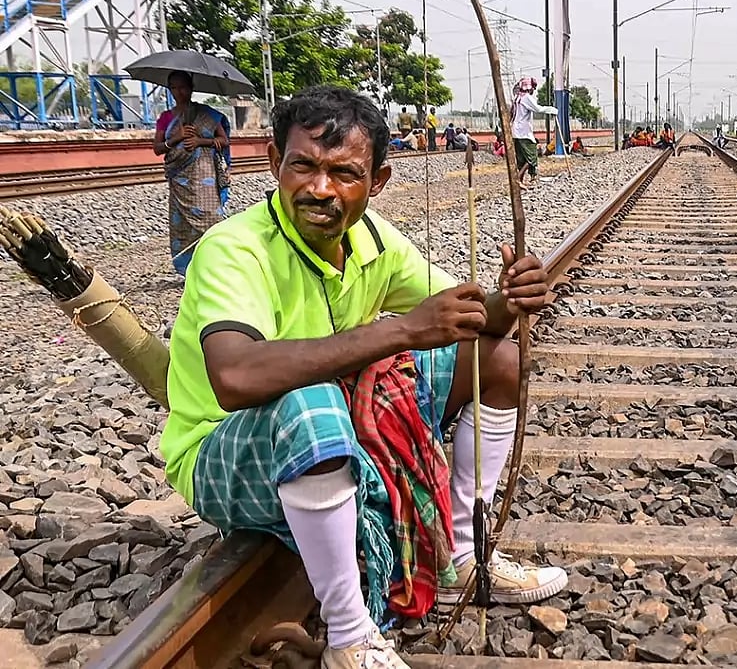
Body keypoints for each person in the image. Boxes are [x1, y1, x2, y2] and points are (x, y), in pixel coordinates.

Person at [159, 86, 568, 669]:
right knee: (309, 399)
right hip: (222, 450)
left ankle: (460, 553)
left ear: (377, 182)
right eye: (303, 165)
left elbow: (469, 317)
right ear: (276, 162)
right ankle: (351, 637)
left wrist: (510, 300)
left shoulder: (373, 239)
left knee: (496, 357)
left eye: (344, 174)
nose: (319, 189)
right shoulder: (234, 248)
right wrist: (400, 331)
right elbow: (236, 375)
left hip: (326, 424)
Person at [153, 70, 231, 277]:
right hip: (179, 179)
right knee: (182, 227)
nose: (179, 92)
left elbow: (223, 141)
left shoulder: (207, 115)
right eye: (174, 88)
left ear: (191, 88)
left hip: (204, 176)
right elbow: (158, 148)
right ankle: (190, 271)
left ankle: (217, 266)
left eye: (183, 87)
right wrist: (176, 138)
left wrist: (200, 141)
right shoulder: (166, 118)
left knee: (210, 221)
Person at [510, 77, 558, 187]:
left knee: (521, 159)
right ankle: (517, 179)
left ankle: (520, 181)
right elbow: (538, 109)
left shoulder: (517, 97)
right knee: (532, 156)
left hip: (516, 132)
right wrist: (552, 110)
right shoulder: (526, 98)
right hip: (524, 132)